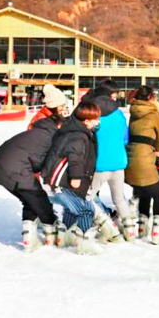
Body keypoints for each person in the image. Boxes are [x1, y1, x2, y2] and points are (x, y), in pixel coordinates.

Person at [0, 108, 65, 251]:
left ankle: (28, 238)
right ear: (58, 125)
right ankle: (50, 234)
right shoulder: (50, 136)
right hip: (15, 169)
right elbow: (40, 161)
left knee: (30, 200)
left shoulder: (38, 132)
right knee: (39, 198)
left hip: (0, 168)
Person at [41, 101, 116, 255]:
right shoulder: (78, 136)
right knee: (85, 211)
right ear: (86, 121)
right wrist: (76, 178)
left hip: (63, 181)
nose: (98, 122)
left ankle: (67, 237)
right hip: (61, 182)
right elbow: (75, 158)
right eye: (96, 119)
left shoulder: (79, 131)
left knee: (71, 210)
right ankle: (84, 242)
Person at [83, 80, 134, 242]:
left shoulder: (94, 115)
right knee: (119, 198)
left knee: (87, 196)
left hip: (99, 165)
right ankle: (130, 229)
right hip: (119, 162)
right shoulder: (119, 114)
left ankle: (104, 225)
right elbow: (125, 139)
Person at [125, 85, 159, 244]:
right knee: (157, 192)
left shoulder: (133, 111)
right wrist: (158, 150)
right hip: (144, 154)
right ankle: (157, 229)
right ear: (151, 97)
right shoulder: (154, 113)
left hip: (131, 154)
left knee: (144, 188)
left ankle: (142, 224)